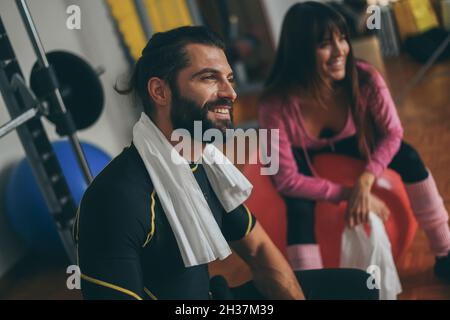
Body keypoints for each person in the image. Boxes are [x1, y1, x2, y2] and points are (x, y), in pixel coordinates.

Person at [74, 26, 378, 300]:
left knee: (359, 288)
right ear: (159, 91)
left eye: (229, 79)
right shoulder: (115, 200)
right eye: (209, 78)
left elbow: (259, 250)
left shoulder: (205, 165)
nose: (230, 93)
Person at [258, 1, 450, 282]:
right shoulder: (273, 104)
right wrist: (347, 193)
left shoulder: (366, 78)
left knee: (408, 157)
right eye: (325, 43)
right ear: (299, 51)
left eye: (342, 38)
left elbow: (393, 133)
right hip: (303, 153)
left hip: (353, 141)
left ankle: (445, 252)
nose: (340, 51)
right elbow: (285, 178)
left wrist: (365, 179)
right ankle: (311, 286)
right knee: (298, 206)